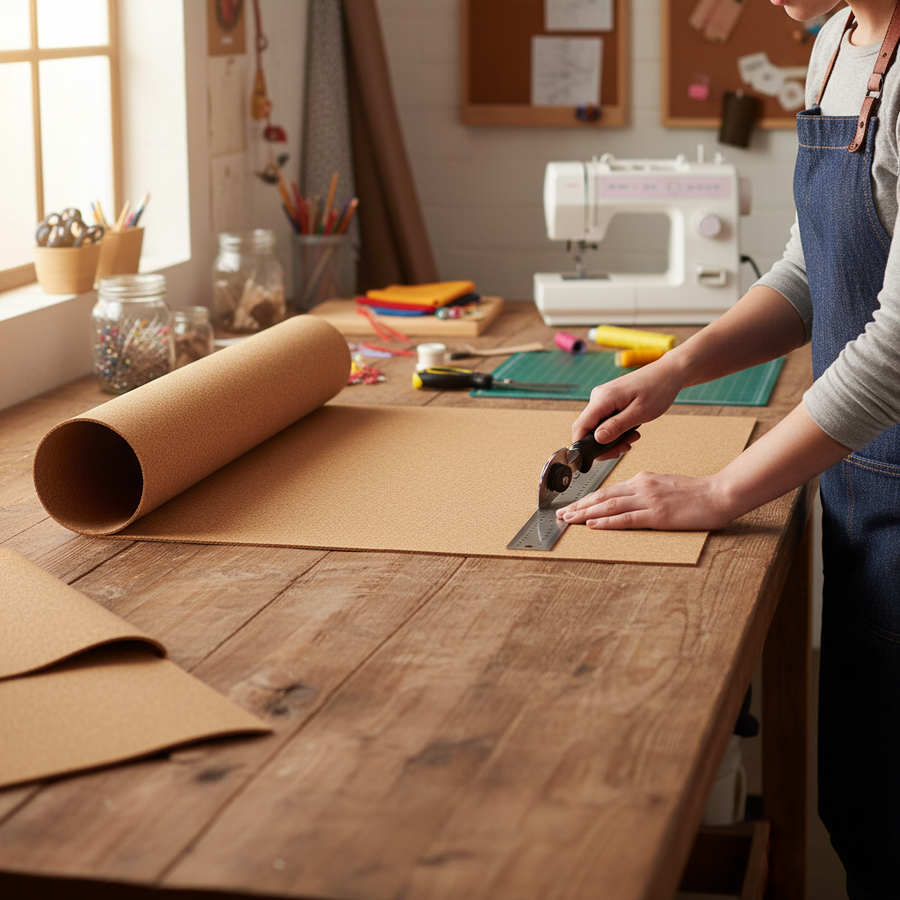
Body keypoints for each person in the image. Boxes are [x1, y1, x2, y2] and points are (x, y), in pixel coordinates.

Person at [556, 1, 900, 897]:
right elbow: (810, 272)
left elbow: (896, 351)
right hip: (866, 489)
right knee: (868, 808)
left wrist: (719, 493)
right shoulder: (834, 46)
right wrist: (674, 369)